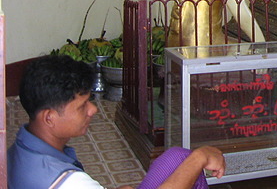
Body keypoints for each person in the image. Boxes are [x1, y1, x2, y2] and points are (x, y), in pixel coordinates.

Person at [7, 55, 225, 189]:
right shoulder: (65, 181)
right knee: (192, 166)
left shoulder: (19, 150)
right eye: (82, 105)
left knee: (178, 157)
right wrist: (201, 157)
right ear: (49, 117)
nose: (93, 110)